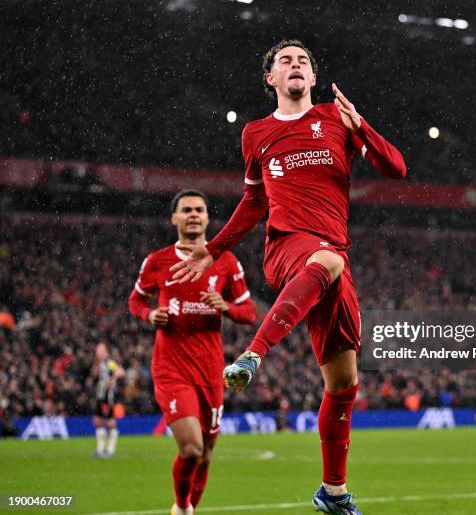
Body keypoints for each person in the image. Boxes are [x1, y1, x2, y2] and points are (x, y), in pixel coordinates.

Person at [170, 40, 406, 515]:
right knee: (328, 261)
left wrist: (361, 125)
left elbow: (396, 168)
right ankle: (254, 356)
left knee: (344, 384)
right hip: (287, 249)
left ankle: (333, 493)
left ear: (313, 78)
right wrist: (213, 250)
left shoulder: (335, 120)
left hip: (331, 258)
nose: (295, 66)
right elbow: (255, 203)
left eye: (303, 61)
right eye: (285, 61)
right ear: (271, 79)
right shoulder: (256, 134)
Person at [128, 189, 256, 515]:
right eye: (186, 210)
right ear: (174, 219)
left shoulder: (226, 261)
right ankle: (182, 508)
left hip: (211, 371)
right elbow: (136, 301)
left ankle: (189, 508)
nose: (194, 215)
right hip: (171, 369)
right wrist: (148, 315)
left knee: (207, 454)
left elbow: (249, 313)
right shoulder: (157, 262)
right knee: (191, 450)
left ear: (208, 218)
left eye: (199, 209)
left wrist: (225, 306)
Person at [92, 342, 125, 457]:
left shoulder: (108, 362)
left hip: (107, 396)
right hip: (100, 395)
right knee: (97, 420)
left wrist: (113, 379)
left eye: (99, 349)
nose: (97, 351)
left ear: (105, 351)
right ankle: (101, 449)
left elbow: (120, 371)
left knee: (110, 421)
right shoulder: (100, 362)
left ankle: (110, 450)